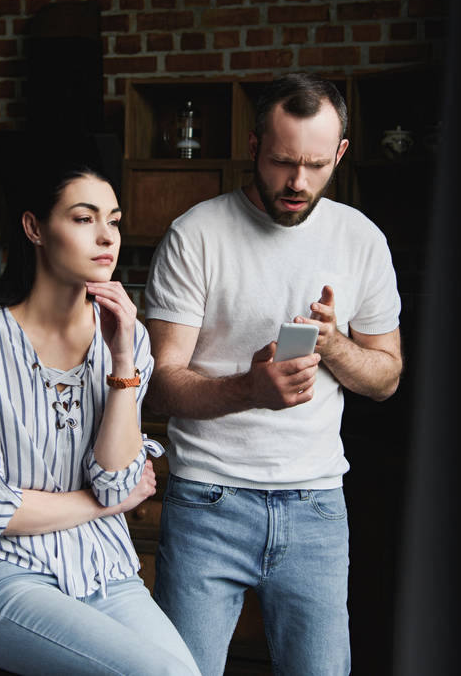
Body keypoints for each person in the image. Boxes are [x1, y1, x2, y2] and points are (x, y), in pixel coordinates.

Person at [144, 73, 404, 676]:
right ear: (254, 144)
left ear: (340, 152)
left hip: (317, 506)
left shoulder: (361, 240)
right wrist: (250, 389)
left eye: (316, 165)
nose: (298, 183)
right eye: (283, 161)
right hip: (207, 500)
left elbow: (386, 378)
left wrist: (333, 345)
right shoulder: (196, 235)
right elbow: (159, 385)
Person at [0, 163, 200, 676]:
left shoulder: (130, 339)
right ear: (34, 228)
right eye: (84, 219)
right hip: (11, 578)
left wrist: (121, 361)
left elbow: (117, 480)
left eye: (114, 221)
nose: (107, 237)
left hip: (107, 572)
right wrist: (102, 506)